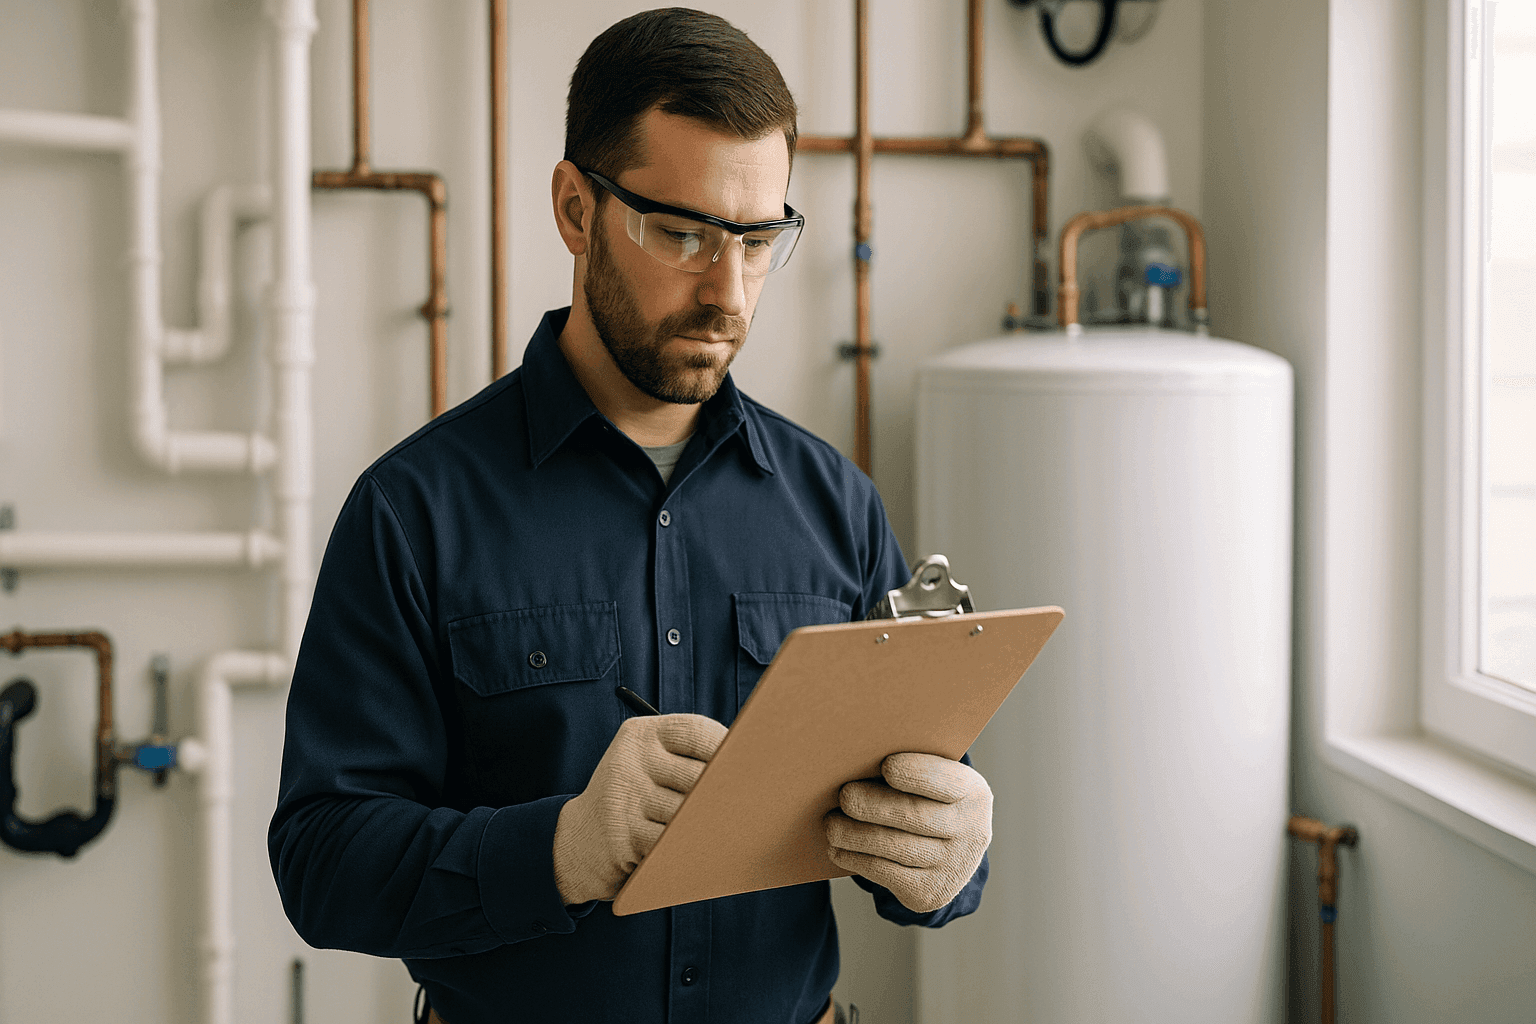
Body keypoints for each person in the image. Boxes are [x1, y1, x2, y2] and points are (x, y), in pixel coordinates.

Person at [268, 9, 994, 1024]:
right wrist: (560, 848)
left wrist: (952, 858)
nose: (728, 292)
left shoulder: (837, 504)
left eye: (757, 239)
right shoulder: (412, 510)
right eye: (683, 232)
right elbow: (321, 862)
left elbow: (908, 813)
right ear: (576, 208)